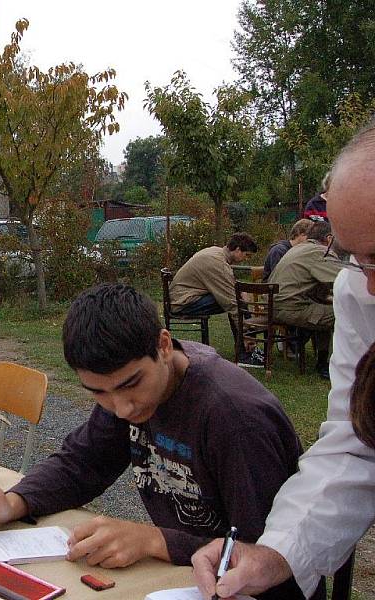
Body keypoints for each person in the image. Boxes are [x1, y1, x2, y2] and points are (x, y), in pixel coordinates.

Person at [0, 283, 314, 600]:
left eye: (130, 385)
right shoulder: (130, 396)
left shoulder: (235, 418)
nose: (121, 408)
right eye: (99, 393)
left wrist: (155, 540)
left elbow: (264, 556)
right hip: (181, 578)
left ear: (162, 344)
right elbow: (83, 463)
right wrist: (14, 502)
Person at [191, 117, 375, 600]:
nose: (369, 285)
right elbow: (355, 446)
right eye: (356, 258)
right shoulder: (358, 290)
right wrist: (279, 553)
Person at [168, 232, 262, 366]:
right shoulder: (218, 264)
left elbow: (230, 287)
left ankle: (247, 349)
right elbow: (232, 302)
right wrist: (246, 334)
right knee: (236, 303)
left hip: (183, 297)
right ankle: (245, 353)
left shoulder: (215, 252)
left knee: (235, 299)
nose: (246, 259)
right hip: (183, 303)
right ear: (237, 250)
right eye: (246, 255)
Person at [268, 221, 342, 379]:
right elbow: (344, 279)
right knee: (343, 314)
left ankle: (323, 360)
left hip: (274, 305)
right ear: (329, 238)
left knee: (326, 311)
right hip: (291, 308)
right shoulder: (320, 251)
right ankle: (330, 365)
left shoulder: (299, 248)